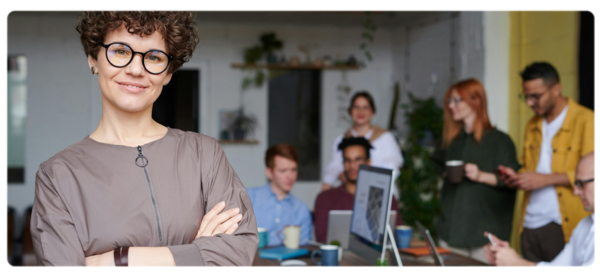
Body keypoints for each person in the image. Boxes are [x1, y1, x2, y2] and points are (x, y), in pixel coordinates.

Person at [31, 9, 258, 269]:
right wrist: (195, 254)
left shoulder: (204, 154)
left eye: (153, 57)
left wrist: (117, 261)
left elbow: (236, 253)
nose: (136, 69)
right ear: (93, 58)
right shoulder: (57, 176)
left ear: (168, 72)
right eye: (120, 51)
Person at [498, 62, 596, 263]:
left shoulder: (587, 120)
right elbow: (530, 168)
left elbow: (590, 173)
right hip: (529, 222)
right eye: (526, 97)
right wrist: (517, 178)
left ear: (556, 90)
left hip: (561, 223)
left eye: (536, 96)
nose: (530, 103)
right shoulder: (532, 124)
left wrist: (544, 180)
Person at [431, 78, 521, 264]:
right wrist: (448, 174)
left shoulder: (499, 140)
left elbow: (512, 180)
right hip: (451, 229)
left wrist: (480, 176)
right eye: (449, 100)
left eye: (457, 100)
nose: (451, 105)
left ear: (476, 100)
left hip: (485, 234)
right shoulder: (450, 140)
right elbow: (436, 163)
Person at [485, 151, 596, 269]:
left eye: (581, 184)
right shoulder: (584, 226)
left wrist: (518, 265)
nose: (576, 192)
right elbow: (557, 267)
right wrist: (508, 259)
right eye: (576, 184)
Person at [314, 137, 403, 244]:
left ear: (368, 162)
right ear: (343, 163)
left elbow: (398, 236)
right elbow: (322, 239)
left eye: (358, 160)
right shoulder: (325, 198)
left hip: (376, 257)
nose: (352, 166)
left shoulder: (386, 197)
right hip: (341, 258)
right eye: (347, 160)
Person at [321, 92, 404, 199]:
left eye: (365, 107)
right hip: (351, 196)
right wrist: (322, 199)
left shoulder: (385, 138)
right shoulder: (341, 140)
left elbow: (392, 171)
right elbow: (332, 171)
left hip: (381, 195)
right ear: (350, 111)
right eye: (356, 107)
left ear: (372, 112)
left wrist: (357, 177)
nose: (361, 111)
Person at [247, 144, 312, 247]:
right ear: (269, 173)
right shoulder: (248, 198)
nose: (290, 176)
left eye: (293, 170)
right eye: (283, 171)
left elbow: (304, 250)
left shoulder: (301, 210)